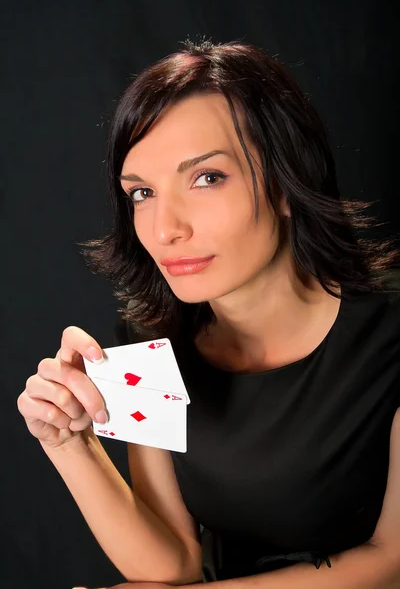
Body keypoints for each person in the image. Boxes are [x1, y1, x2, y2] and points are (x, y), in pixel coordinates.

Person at [17, 39, 400, 589]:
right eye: (142, 192)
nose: (166, 228)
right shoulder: (150, 340)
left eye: (207, 178)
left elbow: (392, 562)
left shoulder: (389, 327)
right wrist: (68, 443)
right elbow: (170, 565)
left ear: (287, 182)